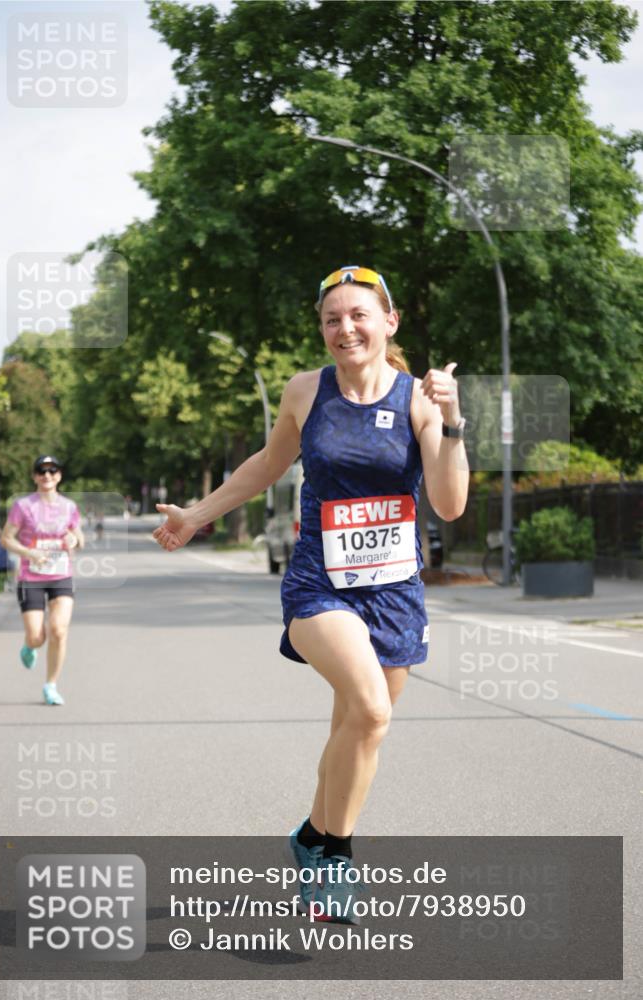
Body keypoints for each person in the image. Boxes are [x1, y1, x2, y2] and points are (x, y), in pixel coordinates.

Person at [152, 265, 469, 922]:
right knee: (372, 711)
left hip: (394, 593)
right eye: (332, 319)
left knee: (359, 729)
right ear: (321, 329)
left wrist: (452, 421)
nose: (344, 328)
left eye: (358, 315)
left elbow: (448, 503)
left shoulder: (416, 400)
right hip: (319, 586)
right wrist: (195, 515)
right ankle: (335, 860)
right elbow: (267, 466)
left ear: (389, 322)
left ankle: (308, 837)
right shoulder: (304, 391)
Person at [1, 455, 84, 706]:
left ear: (59, 475)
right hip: (31, 578)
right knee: (37, 637)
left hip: (61, 576)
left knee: (59, 631)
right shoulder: (23, 506)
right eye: (41, 471)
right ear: (34, 476)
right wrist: (30, 553)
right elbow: (6, 538)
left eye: (52, 471)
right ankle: (30, 646)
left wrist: (74, 539)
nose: (47, 476)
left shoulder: (69, 507)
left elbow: (79, 535)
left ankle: (50, 685)